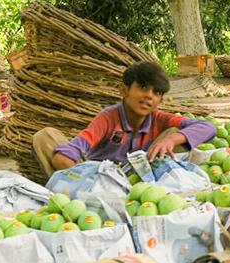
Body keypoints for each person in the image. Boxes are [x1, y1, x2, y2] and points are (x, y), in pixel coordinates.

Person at [32, 61, 217, 178]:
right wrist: (79, 174)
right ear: (124, 90)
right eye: (143, 87)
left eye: (156, 92)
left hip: (141, 180)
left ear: (160, 100)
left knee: (176, 133)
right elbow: (72, 151)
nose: (149, 96)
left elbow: (207, 127)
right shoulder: (108, 118)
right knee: (45, 136)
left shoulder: (160, 119)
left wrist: (172, 139)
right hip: (98, 178)